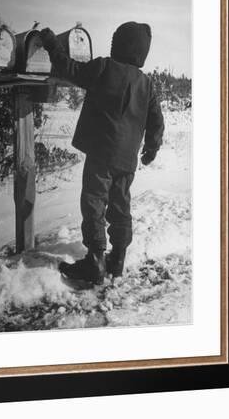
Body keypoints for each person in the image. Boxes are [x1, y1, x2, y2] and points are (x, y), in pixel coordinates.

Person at [40, 22, 165, 284]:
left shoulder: (103, 67)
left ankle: (95, 262)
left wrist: (52, 44)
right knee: (120, 206)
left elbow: (69, 69)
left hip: (101, 152)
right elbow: (156, 121)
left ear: (120, 44)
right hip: (127, 158)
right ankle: (117, 260)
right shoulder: (147, 83)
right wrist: (151, 148)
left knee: (94, 203)